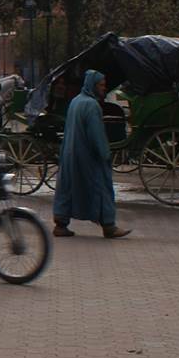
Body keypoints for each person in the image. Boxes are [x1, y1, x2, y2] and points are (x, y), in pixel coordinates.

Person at [53, 69, 131, 239]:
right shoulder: (92, 105)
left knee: (67, 188)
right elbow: (96, 134)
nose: (104, 88)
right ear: (93, 86)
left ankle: (60, 224)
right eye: (101, 85)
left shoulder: (75, 101)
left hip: (70, 154)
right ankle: (109, 225)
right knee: (102, 187)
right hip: (87, 157)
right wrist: (105, 154)